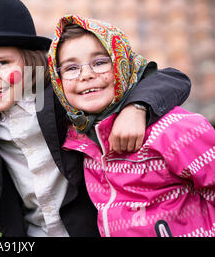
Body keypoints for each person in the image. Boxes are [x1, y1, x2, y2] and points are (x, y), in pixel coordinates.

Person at [0, 0, 192, 237]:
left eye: (3, 63)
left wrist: (136, 108)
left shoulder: (64, 94)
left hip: (90, 227)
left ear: (30, 61)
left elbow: (171, 79)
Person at [48, 14, 214, 237]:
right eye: (70, 68)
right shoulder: (80, 143)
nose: (86, 75)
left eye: (100, 62)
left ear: (122, 64)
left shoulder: (176, 130)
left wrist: (137, 108)